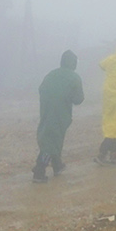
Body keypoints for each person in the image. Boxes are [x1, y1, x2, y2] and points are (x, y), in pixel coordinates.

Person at [33, 51, 86, 183]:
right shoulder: (74, 77)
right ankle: (39, 170)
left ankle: (57, 165)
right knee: (52, 141)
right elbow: (78, 99)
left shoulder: (51, 74)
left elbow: (41, 89)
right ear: (73, 63)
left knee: (51, 136)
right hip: (61, 112)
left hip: (46, 109)